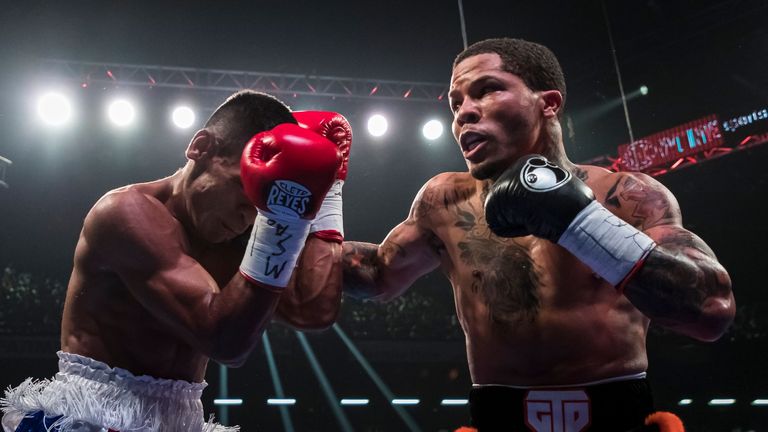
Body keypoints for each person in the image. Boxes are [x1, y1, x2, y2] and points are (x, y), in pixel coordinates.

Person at [342, 38, 735, 431]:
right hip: (499, 413)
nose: (465, 113)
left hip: (615, 412)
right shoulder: (444, 200)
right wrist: (300, 216)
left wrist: (581, 223)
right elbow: (377, 274)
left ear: (548, 102)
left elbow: (710, 309)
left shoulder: (627, 196)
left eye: (487, 89)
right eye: (456, 103)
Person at [1, 91, 353, 432]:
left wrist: (328, 194)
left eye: (261, 204)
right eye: (241, 189)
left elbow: (314, 309)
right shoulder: (126, 214)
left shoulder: (239, 239)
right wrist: (282, 221)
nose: (250, 215)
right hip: (94, 417)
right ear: (201, 148)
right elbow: (223, 340)